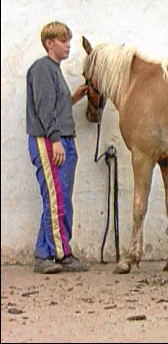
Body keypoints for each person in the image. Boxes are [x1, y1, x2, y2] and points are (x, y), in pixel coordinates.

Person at [26, 21, 90, 274]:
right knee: (56, 199)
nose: (68, 45)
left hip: (62, 138)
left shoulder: (54, 71)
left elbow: (54, 105)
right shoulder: (43, 69)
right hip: (50, 141)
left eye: (68, 40)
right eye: (63, 40)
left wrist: (73, 98)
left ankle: (44, 254)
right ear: (49, 43)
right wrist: (55, 140)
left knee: (59, 197)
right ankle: (61, 254)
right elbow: (44, 109)